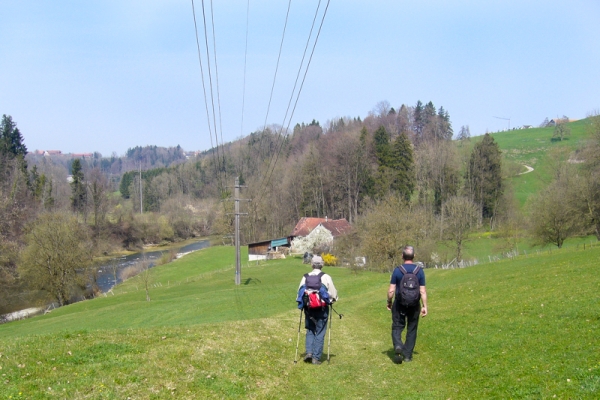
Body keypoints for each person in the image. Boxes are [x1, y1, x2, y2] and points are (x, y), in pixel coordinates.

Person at [386, 246, 428, 363]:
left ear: (402, 256)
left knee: (397, 326)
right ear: (414, 256)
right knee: (412, 329)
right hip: (414, 304)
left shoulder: (397, 270)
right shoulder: (419, 271)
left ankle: (398, 345)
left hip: (399, 303)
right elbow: (422, 290)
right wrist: (424, 306)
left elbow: (391, 291)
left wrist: (389, 302)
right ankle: (408, 356)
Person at [298, 255, 338, 365]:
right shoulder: (326, 277)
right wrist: (333, 300)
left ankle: (309, 353)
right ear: (322, 265)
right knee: (320, 331)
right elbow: (333, 294)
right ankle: (316, 357)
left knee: (310, 329)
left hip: (309, 309)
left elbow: (299, 293)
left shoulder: (305, 277)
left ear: (311, 264)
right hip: (322, 308)